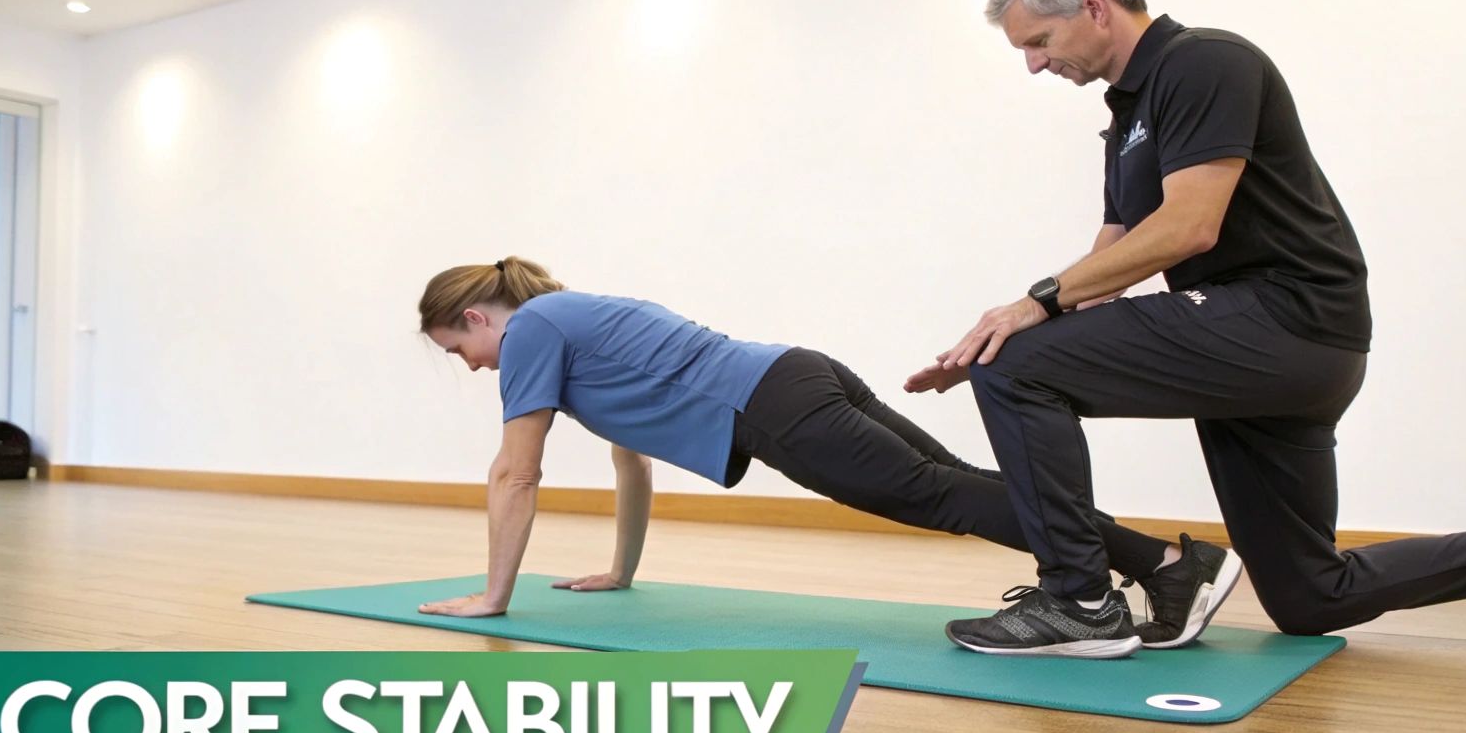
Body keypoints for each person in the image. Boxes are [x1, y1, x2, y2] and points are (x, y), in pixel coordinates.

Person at [905, 0, 1466, 658]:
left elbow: (1190, 227)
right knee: (1309, 598)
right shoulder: (1127, 113)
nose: (1035, 65)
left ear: (1096, 7)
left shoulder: (1204, 62)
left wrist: (1029, 320)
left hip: (1288, 319)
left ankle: (1079, 601)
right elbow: (1119, 252)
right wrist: (1000, 339)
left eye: (1038, 41)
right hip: (1260, 344)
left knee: (1021, 364)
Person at [411, 257, 1240, 656]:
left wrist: (494, 598)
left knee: (939, 497)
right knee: (959, 485)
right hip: (796, 373)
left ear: (481, 319)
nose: (471, 366)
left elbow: (515, 471)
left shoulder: (533, 330)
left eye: (459, 350)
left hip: (773, 405)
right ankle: (1169, 566)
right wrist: (621, 572)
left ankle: (1148, 575)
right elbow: (630, 461)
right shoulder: (572, 319)